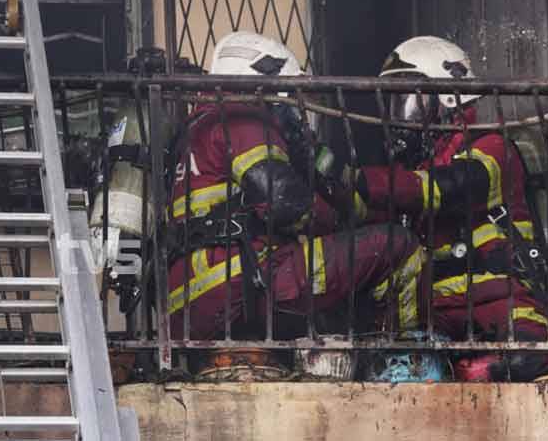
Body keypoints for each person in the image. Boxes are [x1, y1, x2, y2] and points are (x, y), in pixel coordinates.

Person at [165, 31, 421, 340]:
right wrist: (339, 219)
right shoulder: (243, 120)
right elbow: (287, 203)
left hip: (191, 300)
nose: (293, 112)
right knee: (397, 246)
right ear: (266, 86)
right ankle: (409, 357)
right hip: (244, 281)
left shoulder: (195, 129)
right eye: (288, 97)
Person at [351, 36, 548, 380]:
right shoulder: (409, 176)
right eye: (393, 103)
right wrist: (325, 184)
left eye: (408, 102)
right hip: (436, 318)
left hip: (501, 304)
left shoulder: (493, 149)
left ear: (447, 100)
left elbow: (446, 188)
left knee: (525, 365)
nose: (398, 117)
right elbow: (365, 212)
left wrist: (356, 179)